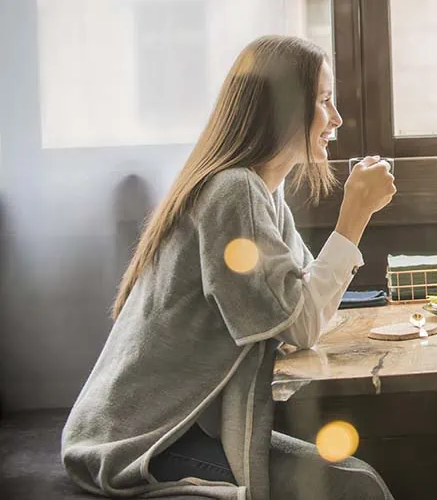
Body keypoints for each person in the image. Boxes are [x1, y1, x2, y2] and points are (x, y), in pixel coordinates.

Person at [62, 36, 396, 500]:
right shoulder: (233, 192)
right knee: (354, 487)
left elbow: (300, 306)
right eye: (323, 101)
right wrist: (355, 215)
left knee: (358, 480)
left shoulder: (261, 191)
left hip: (185, 424)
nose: (336, 118)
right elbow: (302, 325)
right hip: (141, 441)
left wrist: (349, 226)